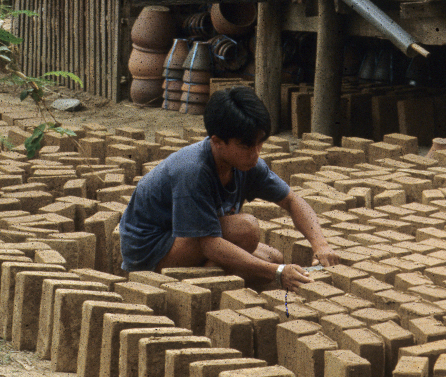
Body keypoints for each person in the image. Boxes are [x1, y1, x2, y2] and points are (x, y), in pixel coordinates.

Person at [118, 86, 339, 291]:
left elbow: (292, 200)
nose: (255, 153)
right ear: (217, 141)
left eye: (259, 143)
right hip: (149, 253)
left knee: (274, 258)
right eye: (246, 146)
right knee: (247, 229)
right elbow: (209, 244)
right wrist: (278, 274)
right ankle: (192, 290)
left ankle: (211, 279)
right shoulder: (193, 170)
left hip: (189, 239)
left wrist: (320, 245)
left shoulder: (247, 163)